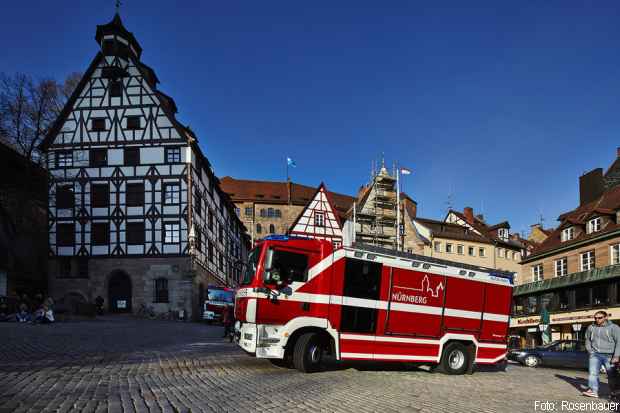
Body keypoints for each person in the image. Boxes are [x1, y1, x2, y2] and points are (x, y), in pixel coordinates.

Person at [583, 311, 620, 398]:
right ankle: (593, 391)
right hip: (595, 354)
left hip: (610, 355)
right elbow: (587, 340)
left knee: (612, 375)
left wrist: (616, 356)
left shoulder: (614, 328)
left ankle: (615, 392)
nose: (597, 320)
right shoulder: (591, 327)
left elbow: (619, 342)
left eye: (600, 318)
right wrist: (590, 351)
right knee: (592, 373)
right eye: (595, 318)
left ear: (606, 317)